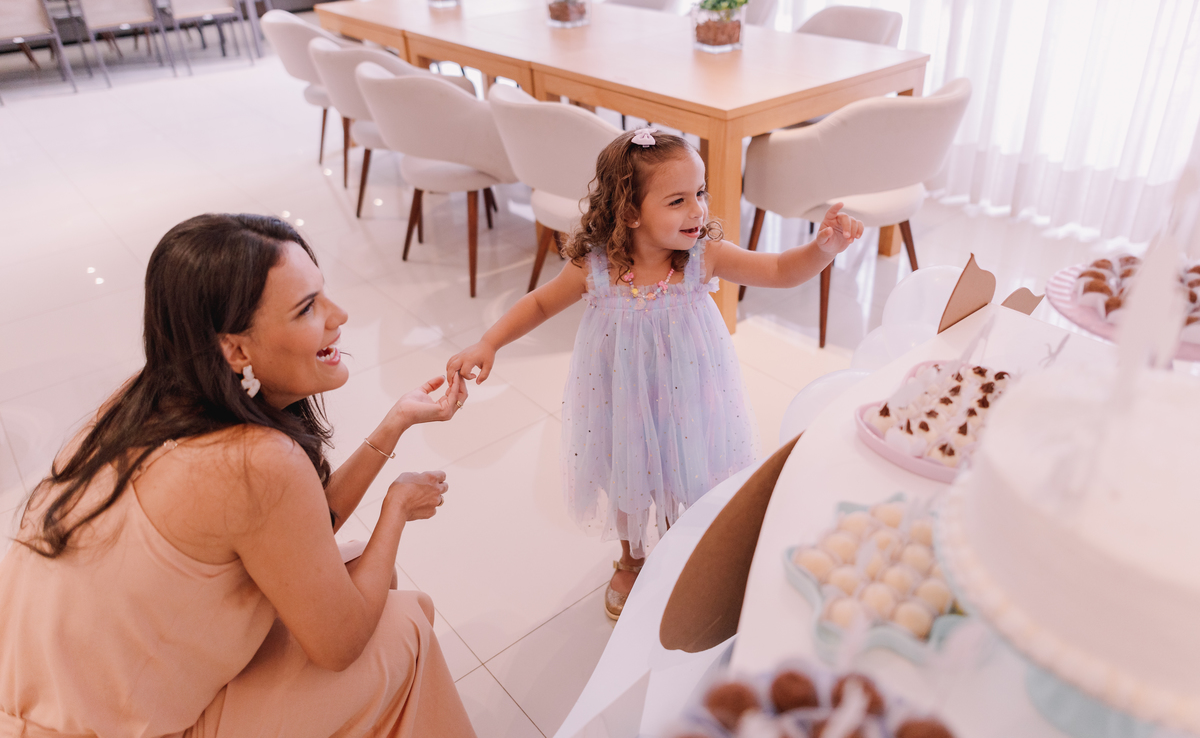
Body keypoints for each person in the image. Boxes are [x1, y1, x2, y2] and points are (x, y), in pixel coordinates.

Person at [0, 214, 477, 738]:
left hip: (53, 696)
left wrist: (395, 423)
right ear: (236, 349)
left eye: (324, 293)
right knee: (405, 622)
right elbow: (339, 645)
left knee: (360, 569)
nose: (339, 315)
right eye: (307, 308)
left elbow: (296, 527)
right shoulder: (255, 462)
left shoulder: (147, 398)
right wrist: (398, 508)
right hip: (104, 727)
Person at [446, 128, 864, 619]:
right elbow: (539, 303)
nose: (698, 210)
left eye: (701, 193)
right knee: (630, 468)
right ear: (629, 211)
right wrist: (489, 341)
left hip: (691, 392)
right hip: (621, 394)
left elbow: (775, 270)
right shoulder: (594, 266)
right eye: (677, 200)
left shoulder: (702, 257)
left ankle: (690, 541)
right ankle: (632, 555)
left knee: (688, 464)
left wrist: (823, 250)